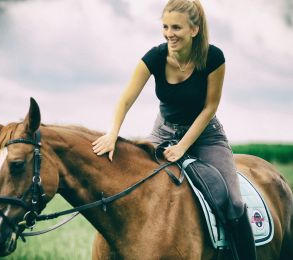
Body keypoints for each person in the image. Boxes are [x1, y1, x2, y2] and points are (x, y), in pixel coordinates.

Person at [92, 0, 256, 259]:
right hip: (163, 131)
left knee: (233, 202)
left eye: (177, 27)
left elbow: (209, 108)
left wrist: (183, 147)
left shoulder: (213, 58)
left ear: (194, 30)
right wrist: (113, 133)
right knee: (135, 185)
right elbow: (125, 99)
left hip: (205, 134)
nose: (169, 33)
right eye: (166, 27)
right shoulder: (155, 57)